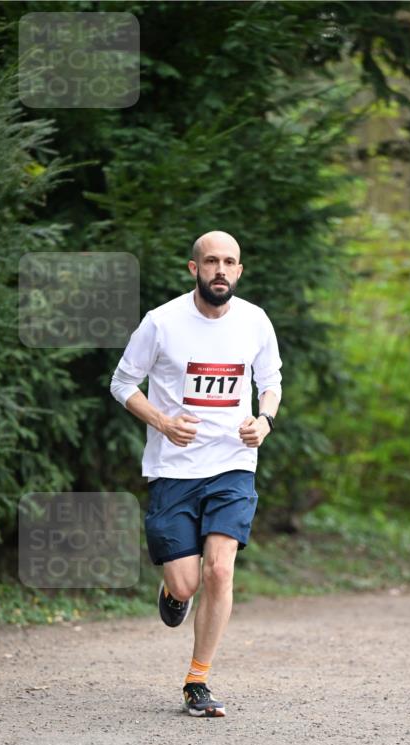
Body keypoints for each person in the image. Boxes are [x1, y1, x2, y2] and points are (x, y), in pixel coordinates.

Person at [110, 230, 282, 718]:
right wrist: (162, 421)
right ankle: (172, 590)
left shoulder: (255, 321)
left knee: (221, 569)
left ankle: (198, 680)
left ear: (240, 270)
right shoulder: (161, 323)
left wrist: (264, 421)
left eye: (230, 262)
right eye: (211, 262)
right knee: (187, 584)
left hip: (232, 464)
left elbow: (270, 383)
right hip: (173, 470)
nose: (220, 270)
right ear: (194, 269)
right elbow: (122, 383)